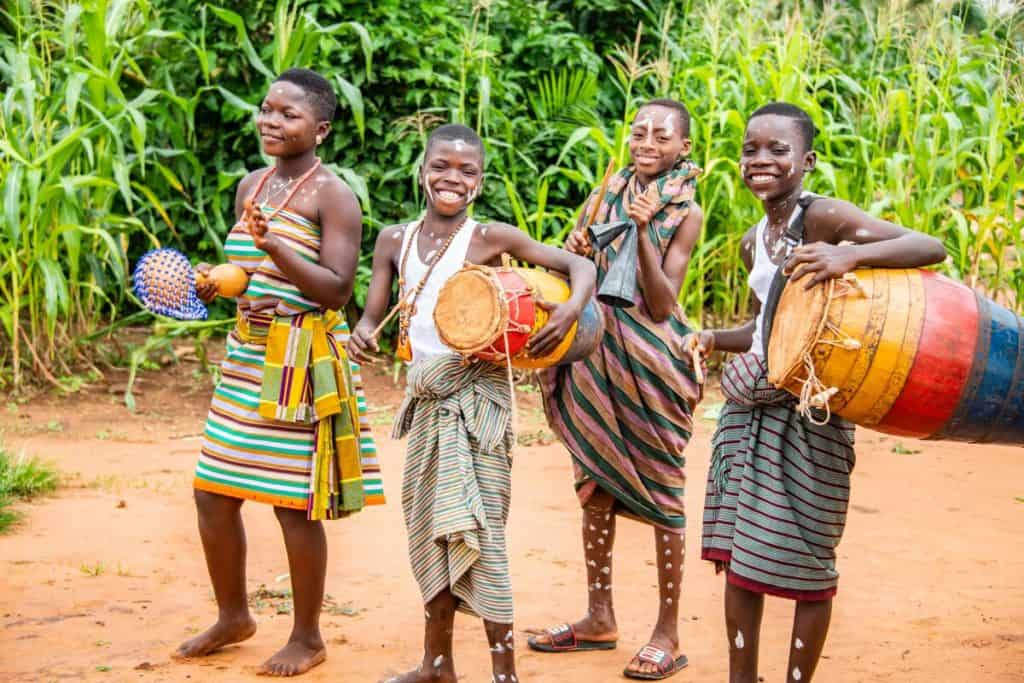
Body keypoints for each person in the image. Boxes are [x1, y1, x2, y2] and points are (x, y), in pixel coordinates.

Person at [687, 102, 946, 683]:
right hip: (747, 413)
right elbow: (767, 328)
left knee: (808, 547)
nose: (761, 160)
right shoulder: (755, 240)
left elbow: (929, 246)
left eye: (777, 151)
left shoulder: (823, 217)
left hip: (814, 409)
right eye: (751, 149)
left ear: (806, 160)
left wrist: (849, 254)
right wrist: (710, 337)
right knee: (741, 552)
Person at [347, 123, 596, 683]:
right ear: (422, 170)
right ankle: (437, 666)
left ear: (479, 183)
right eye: (441, 166)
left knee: (481, 535)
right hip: (426, 399)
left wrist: (567, 310)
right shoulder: (393, 240)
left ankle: (503, 673)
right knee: (431, 531)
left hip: (478, 401)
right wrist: (363, 333)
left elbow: (581, 267)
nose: (451, 179)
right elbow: (373, 314)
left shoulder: (490, 238)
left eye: (466, 171)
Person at [174, 68, 384, 677]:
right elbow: (247, 273)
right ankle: (233, 616)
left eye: (287, 114)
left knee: (293, 505)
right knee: (212, 494)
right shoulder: (251, 185)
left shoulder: (334, 195)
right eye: (266, 109)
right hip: (248, 357)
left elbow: (337, 291)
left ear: (319, 128)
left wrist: (276, 251)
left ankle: (308, 637)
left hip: (304, 360)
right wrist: (219, 284)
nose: (270, 120)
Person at [528, 99, 703, 680]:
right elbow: (574, 259)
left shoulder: (686, 212)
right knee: (593, 484)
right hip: (594, 353)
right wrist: (578, 252)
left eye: (662, 135)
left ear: (683, 147)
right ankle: (598, 618)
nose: (647, 141)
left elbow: (660, 302)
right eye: (639, 131)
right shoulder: (606, 191)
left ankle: (667, 632)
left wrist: (645, 229)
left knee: (662, 493)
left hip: (651, 366)